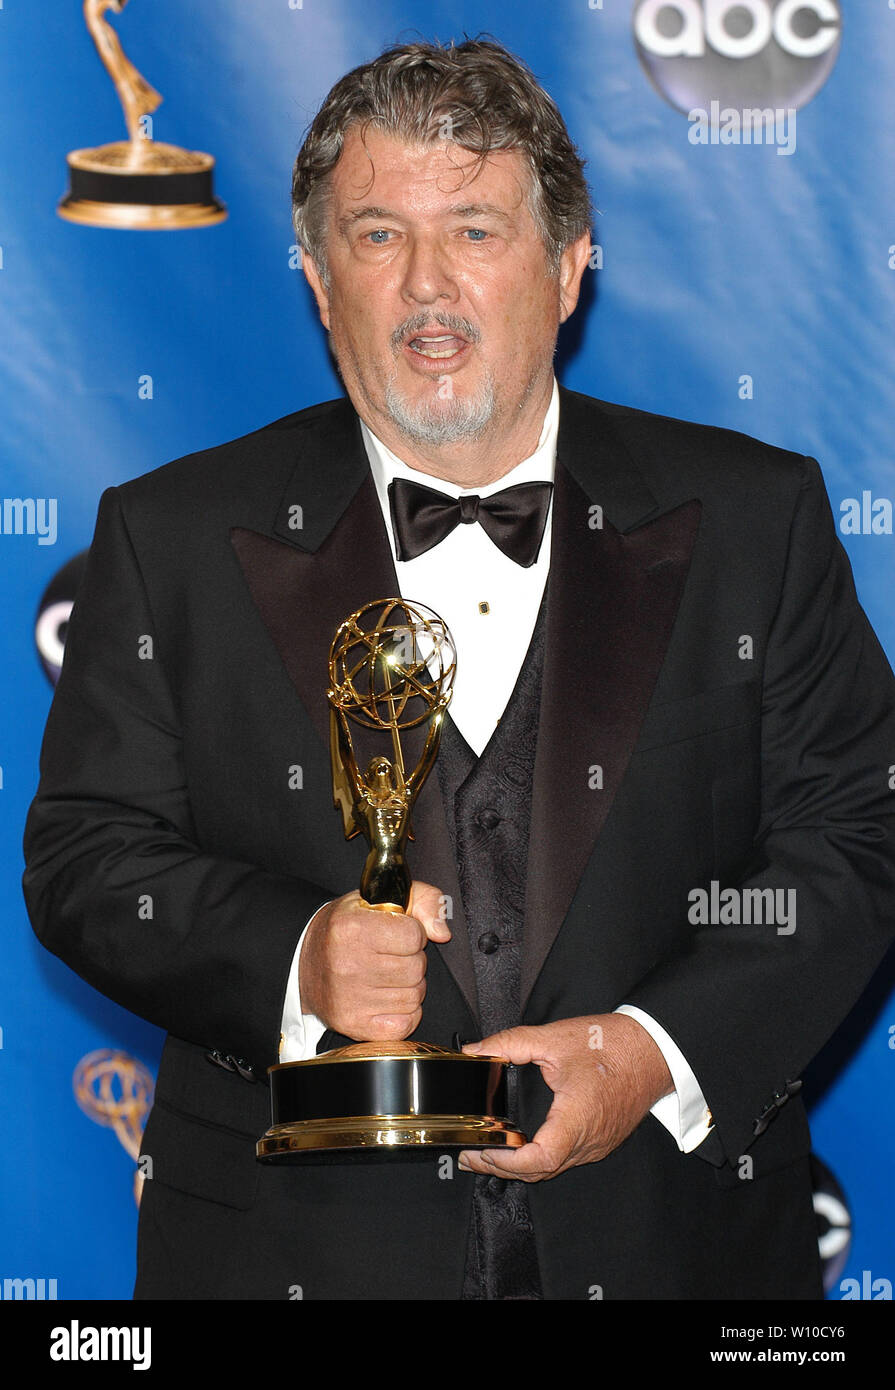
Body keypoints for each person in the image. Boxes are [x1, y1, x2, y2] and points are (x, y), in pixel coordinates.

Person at [22, 38, 895, 1301]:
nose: (428, 288)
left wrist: (645, 1055)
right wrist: (297, 956)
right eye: (376, 236)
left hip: (676, 1251)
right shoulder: (168, 537)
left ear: (568, 265)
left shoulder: (756, 519)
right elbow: (88, 859)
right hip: (289, 1262)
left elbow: (857, 837)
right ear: (320, 282)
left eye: (476, 229)